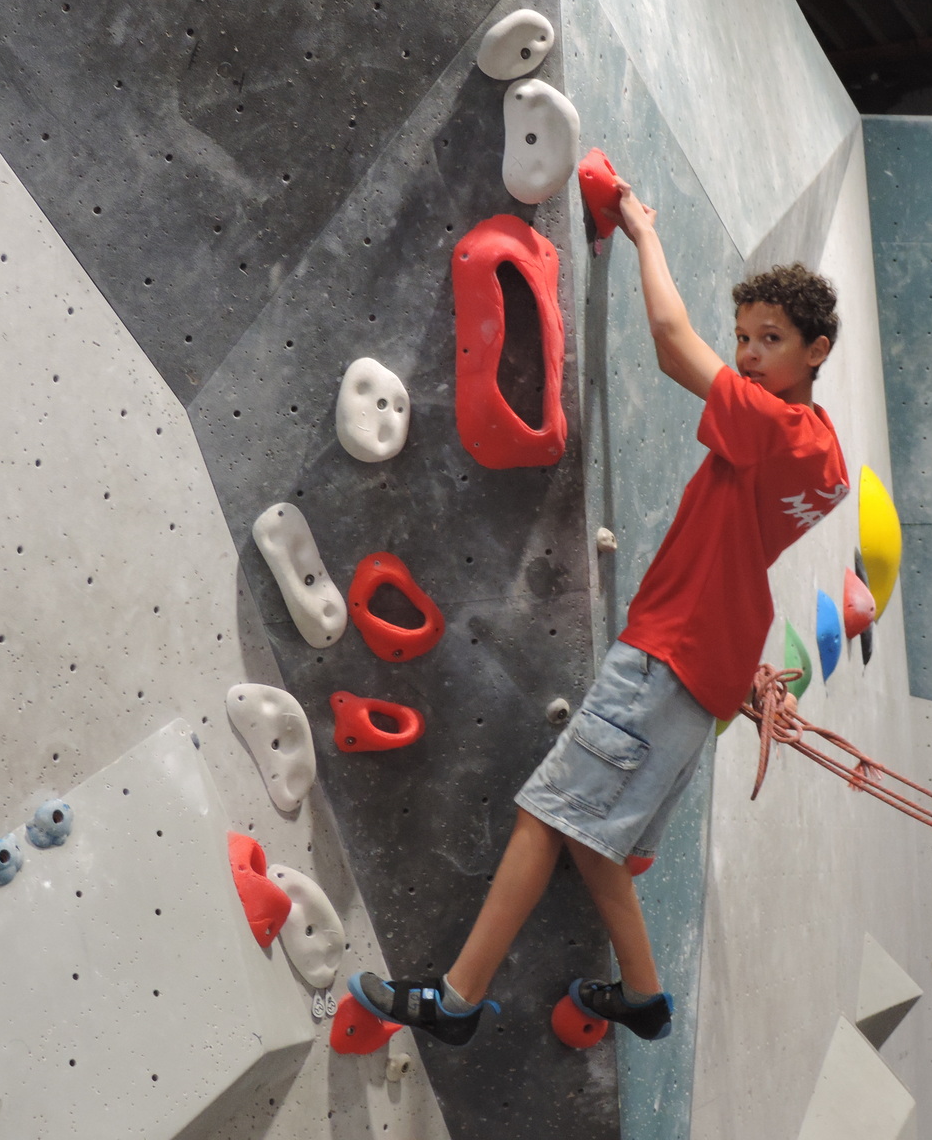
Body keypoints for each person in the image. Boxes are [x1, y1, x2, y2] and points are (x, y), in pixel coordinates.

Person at [348, 178, 849, 1046]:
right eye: (743, 338)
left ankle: (458, 999)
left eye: (770, 340)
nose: (748, 355)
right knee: (590, 832)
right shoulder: (826, 455)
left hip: (672, 647)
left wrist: (641, 232)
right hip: (711, 662)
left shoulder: (780, 428)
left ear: (817, 350)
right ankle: (643, 996)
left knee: (549, 813)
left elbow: (671, 345)